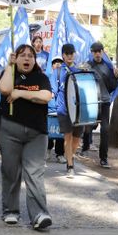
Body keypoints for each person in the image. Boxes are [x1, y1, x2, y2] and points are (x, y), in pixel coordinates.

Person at [0, 45, 54, 230]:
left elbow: (45, 96)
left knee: (35, 173)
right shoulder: (10, 74)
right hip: (9, 131)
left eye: (31, 56)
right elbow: (4, 89)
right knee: (11, 172)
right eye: (22, 56)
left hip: (36, 133)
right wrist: (9, 66)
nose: (27, 59)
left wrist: (21, 93)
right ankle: (10, 211)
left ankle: (39, 214)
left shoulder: (41, 77)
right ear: (16, 58)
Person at [49, 44, 85, 178]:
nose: (70, 56)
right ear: (63, 55)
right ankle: (70, 165)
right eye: (67, 53)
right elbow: (52, 91)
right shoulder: (57, 72)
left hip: (79, 110)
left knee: (76, 140)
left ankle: (69, 156)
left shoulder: (79, 70)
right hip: (63, 110)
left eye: (72, 53)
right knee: (68, 137)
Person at [88, 41, 118, 168]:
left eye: (99, 51)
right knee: (88, 126)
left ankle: (103, 158)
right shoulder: (87, 65)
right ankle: (85, 146)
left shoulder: (108, 67)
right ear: (92, 53)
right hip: (91, 102)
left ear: (102, 52)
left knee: (105, 130)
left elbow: (112, 87)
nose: (97, 54)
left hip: (105, 102)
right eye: (95, 51)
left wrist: (116, 77)